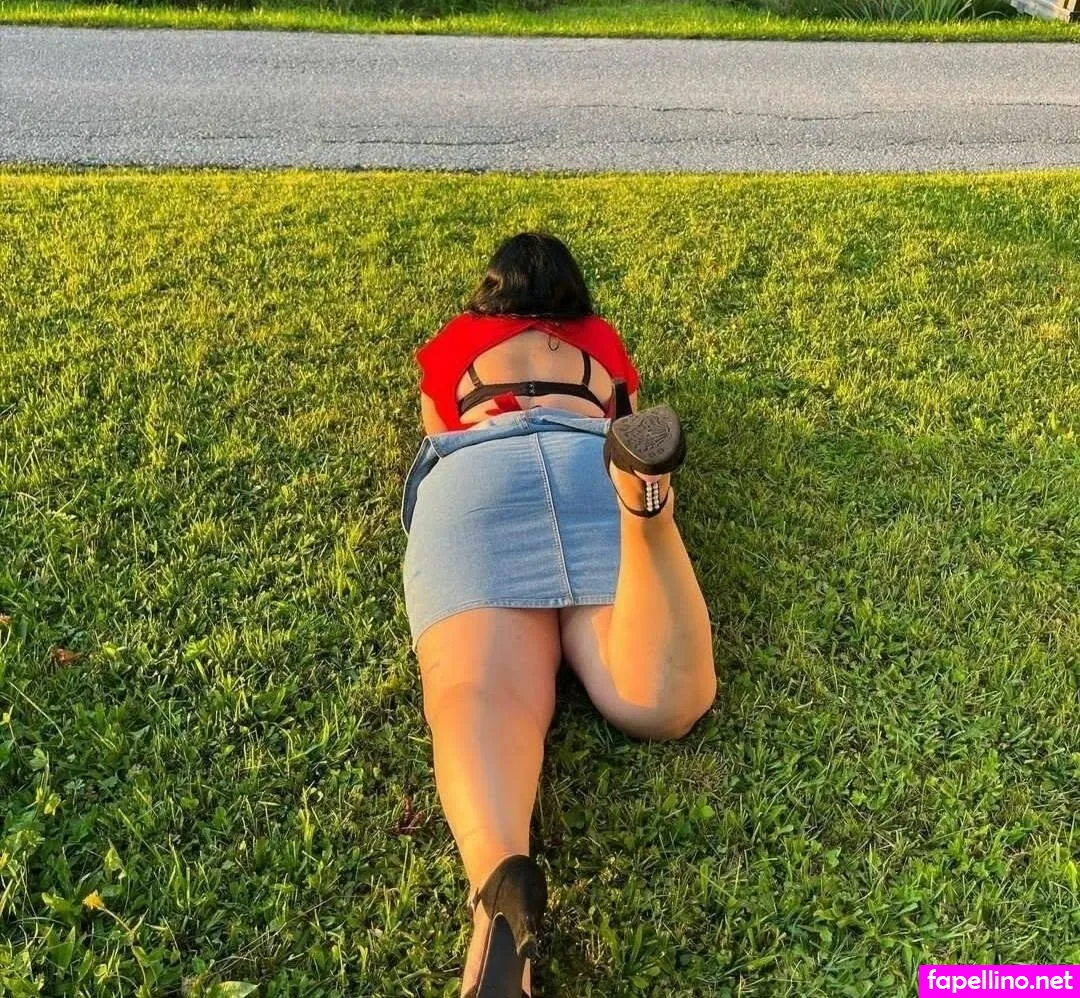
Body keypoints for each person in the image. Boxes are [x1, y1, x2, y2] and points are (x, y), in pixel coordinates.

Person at [400, 232, 717, 997]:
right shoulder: (600, 341)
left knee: (479, 693)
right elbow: (622, 407)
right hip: (589, 460)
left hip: (477, 476)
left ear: (492, 287)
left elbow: (436, 425)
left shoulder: (454, 340)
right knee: (653, 699)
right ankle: (646, 511)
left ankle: (499, 877)